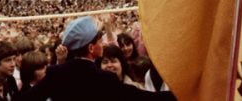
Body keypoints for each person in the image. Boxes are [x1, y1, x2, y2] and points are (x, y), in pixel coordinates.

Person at [22, 17, 173, 100]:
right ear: (91, 48)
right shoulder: (104, 78)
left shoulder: (55, 74)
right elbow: (139, 97)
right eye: (99, 41)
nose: (103, 44)